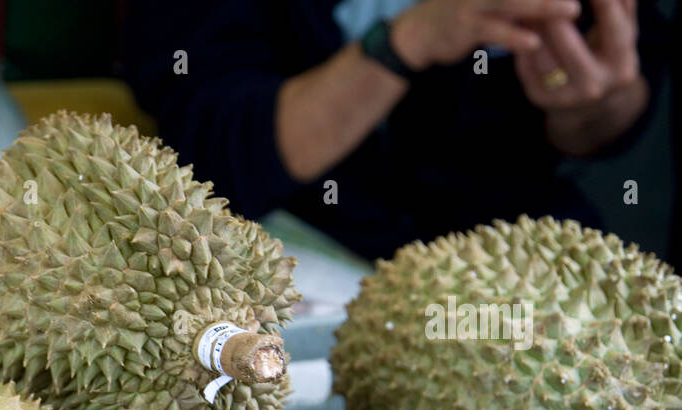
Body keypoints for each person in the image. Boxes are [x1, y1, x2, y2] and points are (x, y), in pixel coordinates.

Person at [124, 1, 672, 261]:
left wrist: (590, 97)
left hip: (514, 254)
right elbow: (220, 153)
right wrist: (408, 40)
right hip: (289, 248)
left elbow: (604, 125)